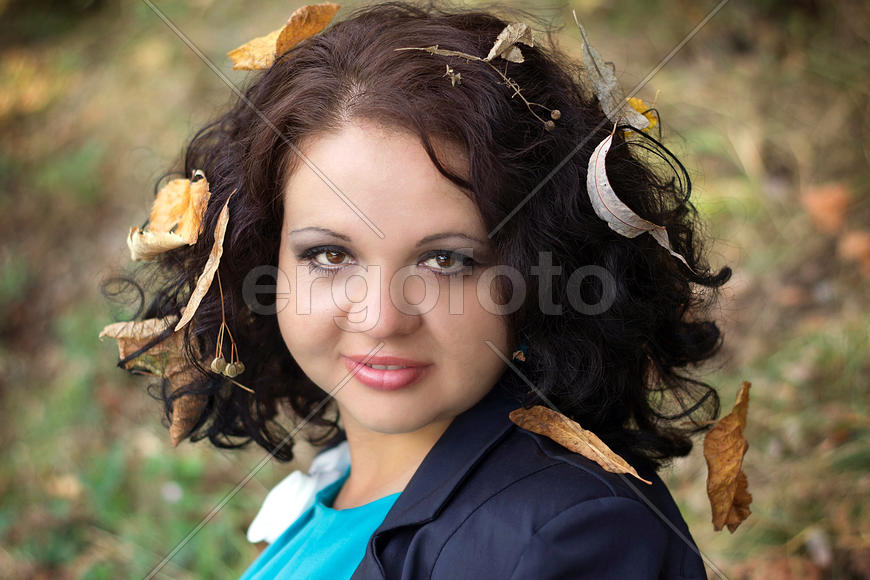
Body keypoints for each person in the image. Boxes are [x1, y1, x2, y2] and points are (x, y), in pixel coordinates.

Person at [101, 1, 732, 578]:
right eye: (329, 254)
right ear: (261, 259)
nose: (380, 318)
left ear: (544, 274)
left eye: (447, 261)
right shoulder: (345, 482)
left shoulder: (565, 537)